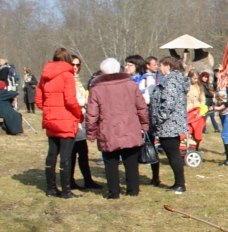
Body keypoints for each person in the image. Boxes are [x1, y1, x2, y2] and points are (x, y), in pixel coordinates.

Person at [86, 58, 149, 199]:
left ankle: (114, 192)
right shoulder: (130, 85)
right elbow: (142, 107)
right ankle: (133, 189)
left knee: (110, 161)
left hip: (108, 129)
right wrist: (144, 125)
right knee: (131, 160)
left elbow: (92, 114)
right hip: (130, 127)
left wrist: (91, 132)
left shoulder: (96, 88)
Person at [37, 48, 84, 198]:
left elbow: (39, 100)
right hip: (66, 119)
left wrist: (49, 110)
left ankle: (51, 188)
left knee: (52, 154)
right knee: (66, 156)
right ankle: (66, 190)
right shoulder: (67, 75)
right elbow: (70, 100)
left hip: (51, 120)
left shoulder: (45, 75)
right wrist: (78, 114)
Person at [149, 57, 190, 193]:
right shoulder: (174, 80)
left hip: (168, 125)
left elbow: (168, 104)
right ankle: (178, 183)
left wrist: (158, 119)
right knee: (173, 154)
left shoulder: (171, 81)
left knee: (173, 154)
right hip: (171, 124)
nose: (159, 68)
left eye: (161, 65)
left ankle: (180, 184)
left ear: (167, 66)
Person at [68, 55, 101, 190]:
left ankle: (87, 180)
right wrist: (85, 101)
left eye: (77, 65)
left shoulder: (76, 79)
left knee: (82, 152)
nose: (75, 67)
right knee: (73, 152)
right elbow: (70, 100)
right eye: (73, 64)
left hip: (81, 118)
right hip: (72, 119)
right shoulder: (67, 79)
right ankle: (70, 181)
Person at [186, 70, 206, 150]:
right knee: (188, 130)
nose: (196, 80)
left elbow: (202, 99)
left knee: (197, 131)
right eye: (194, 78)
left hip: (196, 112)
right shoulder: (185, 86)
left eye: (197, 78)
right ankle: (186, 147)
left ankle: (195, 148)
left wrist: (201, 110)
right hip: (187, 111)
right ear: (190, 77)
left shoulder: (199, 87)